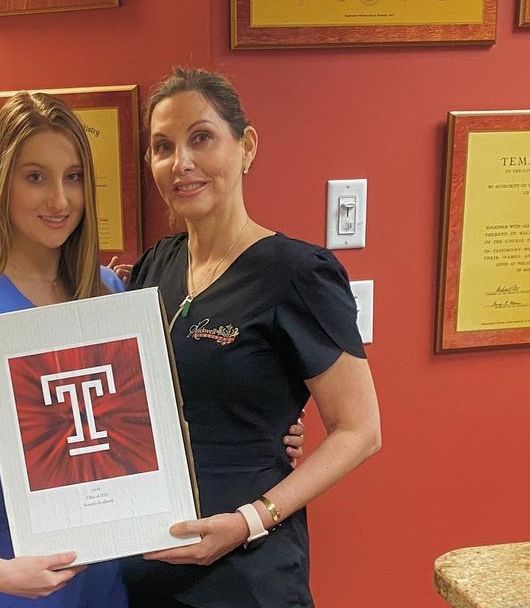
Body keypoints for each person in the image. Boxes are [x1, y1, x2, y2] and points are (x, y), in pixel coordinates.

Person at [119, 67, 382, 608]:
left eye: (202, 138)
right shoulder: (153, 267)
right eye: (162, 147)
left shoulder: (297, 273)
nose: (181, 163)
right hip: (149, 571)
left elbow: (360, 430)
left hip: (246, 576)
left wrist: (248, 521)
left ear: (246, 146)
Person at [0, 91, 129, 607]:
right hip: (19, 578)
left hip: (109, 573)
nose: (59, 200)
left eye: (74, 176)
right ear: (1, 184)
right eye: (35, 176)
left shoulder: (106, 292)